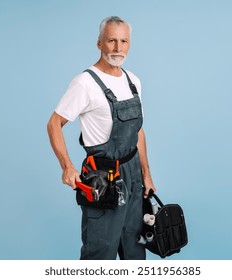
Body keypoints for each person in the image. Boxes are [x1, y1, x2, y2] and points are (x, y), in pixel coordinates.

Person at [47, 16, 156, 260]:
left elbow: (137, 131)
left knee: (135, 248)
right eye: (111, 41)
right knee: (100, 252)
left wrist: (146, 174)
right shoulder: (85, 83)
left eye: (124, 41)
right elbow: (54, 123)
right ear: (99, 43)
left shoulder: (133, 82)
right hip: (103, 178)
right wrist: (67, 166)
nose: (118, 48)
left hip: (133, 174)